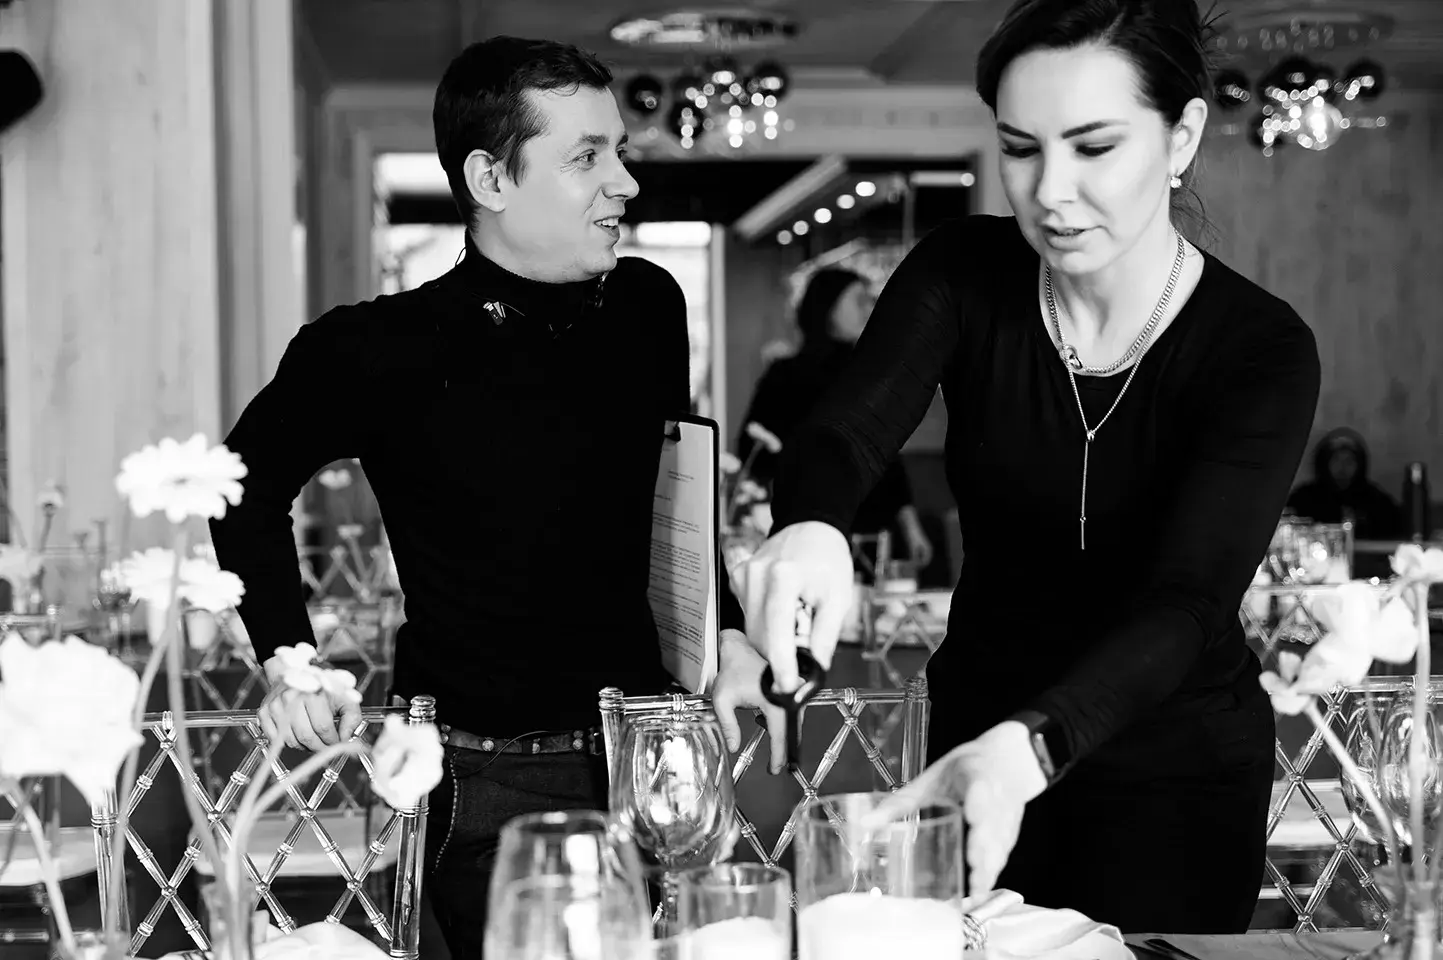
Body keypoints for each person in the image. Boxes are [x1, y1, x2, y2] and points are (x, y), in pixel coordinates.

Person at [730, 0, 1320, 935]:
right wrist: (808, 526)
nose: (1049, 191)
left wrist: (1031, 748)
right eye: (1018, 148)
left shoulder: (1258, 348)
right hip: (973, 755)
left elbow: (1187, 602)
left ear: (1180, 137)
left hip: (1174, 772)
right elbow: (845, 433)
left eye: (1094, 147)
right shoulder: (964, 271)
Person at [210, 36, 782, 958]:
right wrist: (290, 660)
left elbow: (672, 502)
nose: (625, 182)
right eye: (585, 157)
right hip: (486, 777)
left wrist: (724, 637)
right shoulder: (374, 347)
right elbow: (241, 491)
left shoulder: (647, 305)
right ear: (490, 179)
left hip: (657, 757)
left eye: (618, 151)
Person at [738, 268, 934, 576]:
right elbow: (751, 449)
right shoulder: (788, 376)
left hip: (875, 532)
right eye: (859, 300)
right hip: (813, 531)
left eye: (870, 300)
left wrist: (910, 525)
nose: (869, 309)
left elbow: (889, 457)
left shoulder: (870, 371)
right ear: (828, 307)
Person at [1288, 427, 1403, 540]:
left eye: (1349, 461)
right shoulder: (1303, 499)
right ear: (1324, 463)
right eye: (1336, 459)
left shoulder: (1376, 501)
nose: (1342, 467)